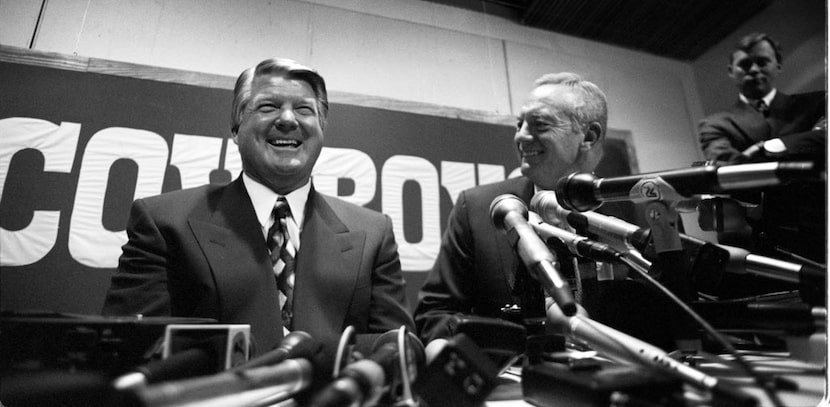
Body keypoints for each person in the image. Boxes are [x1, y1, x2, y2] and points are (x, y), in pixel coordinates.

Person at [102, 58, 414, 363]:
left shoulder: (374, 233)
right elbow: (130, 355)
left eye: (305, 109)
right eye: (268, 107)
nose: (288, 119)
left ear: (321, 130)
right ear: (236, 129)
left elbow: (398, 355)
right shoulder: (164, 223)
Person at [414, 73, 675, 350]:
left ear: (588, 136)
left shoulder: (646, 213)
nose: (521, 136)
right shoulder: (477, 208)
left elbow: (676, 318)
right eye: (519, 124)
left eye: (539, 124)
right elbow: (435, 313)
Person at [698, 32, 826, 270]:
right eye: (745, 64)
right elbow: (729, 174)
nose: (754, 69)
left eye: (762, 61)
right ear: (730, 71)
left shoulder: (818, 102)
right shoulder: (715, 124)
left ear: (778, 65)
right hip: (758, 247)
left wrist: (767, 148)